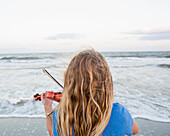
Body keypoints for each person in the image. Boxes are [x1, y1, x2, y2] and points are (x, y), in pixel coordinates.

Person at [41, 49, 139, 136]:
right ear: (106, 83)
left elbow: (53, 133)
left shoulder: (61, 115)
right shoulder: (119, 112)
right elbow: (135, 131)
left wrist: (48, 107)